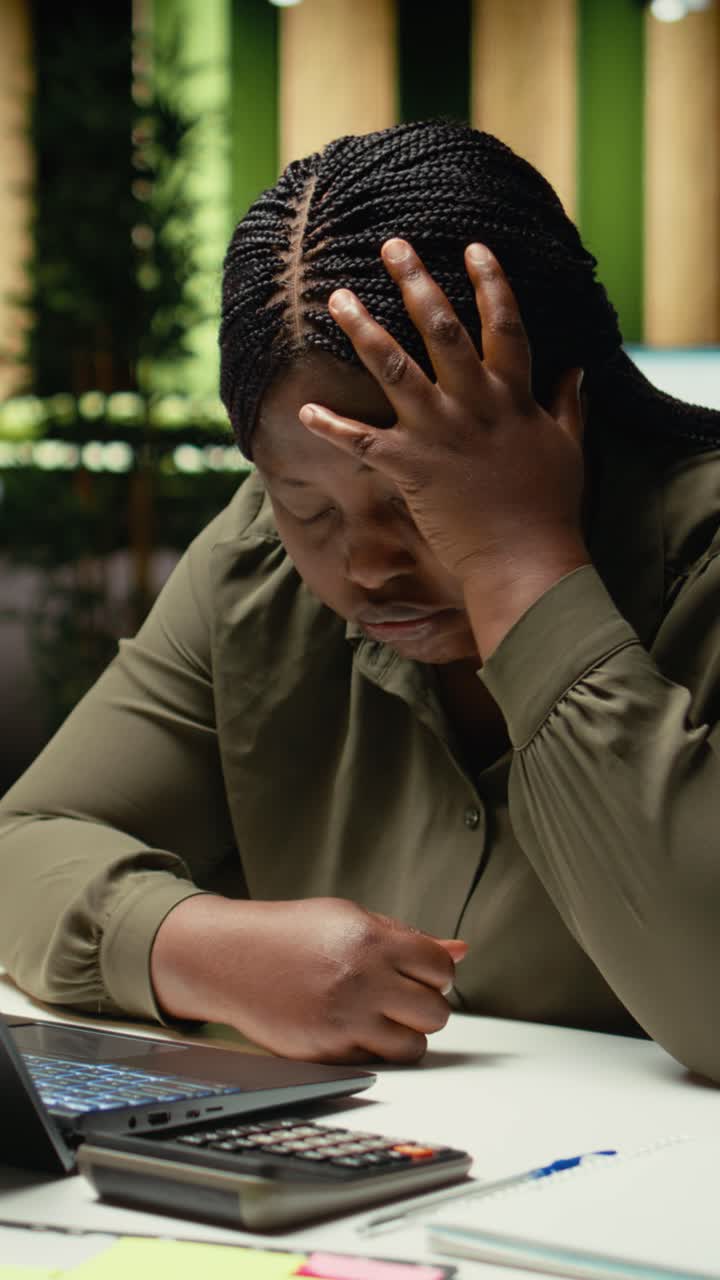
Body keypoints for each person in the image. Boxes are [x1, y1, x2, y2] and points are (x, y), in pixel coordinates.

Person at [2, 120, 720, 1080]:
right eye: (308, 504)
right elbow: (27, 844)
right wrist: (194, 948)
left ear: (563, 424)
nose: (367, 564)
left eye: (412, 497)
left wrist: (518, 558)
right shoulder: (257, 558)